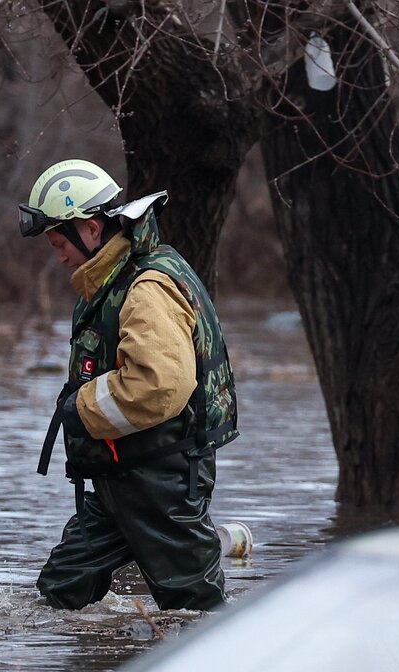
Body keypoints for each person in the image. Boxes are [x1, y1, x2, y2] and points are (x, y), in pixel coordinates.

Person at [19, 159, 238, 612]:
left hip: (161, 480)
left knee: (195, 610)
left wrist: (80, 409)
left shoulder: (146, 286)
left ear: (92, 229)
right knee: (62, 592)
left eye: (60, 242)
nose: (58, 256)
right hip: (122, 476)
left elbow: (158, 386)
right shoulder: (115, 280)